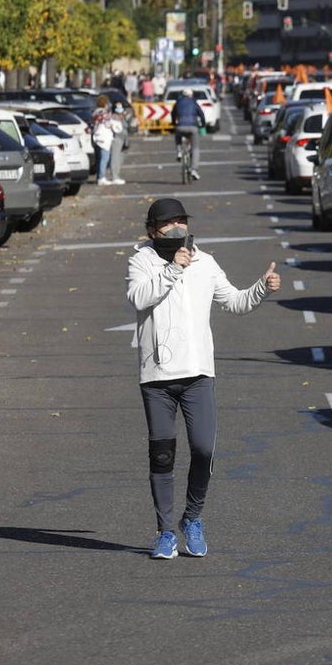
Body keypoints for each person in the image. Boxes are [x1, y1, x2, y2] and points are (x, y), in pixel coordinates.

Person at [126, 198, 282, 559]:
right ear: (152, 230)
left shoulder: (205, 262)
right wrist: (173, 269)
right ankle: (165, 532)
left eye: (182, 220)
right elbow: (139, 298)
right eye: (169, 223)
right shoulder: (141, 261)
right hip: (157, 376)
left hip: (198, 375)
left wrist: (263, 287)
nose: (178, 228)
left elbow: (235, 301)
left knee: (203, 449)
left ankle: (192, 518)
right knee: (162, 456)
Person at [171, 87, 206, 181]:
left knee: (177, 134)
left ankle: (178, 151)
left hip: (180, 125)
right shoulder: (194, 102)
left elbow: (173, 114)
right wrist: (203, 124)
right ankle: (194, 169)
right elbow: (201, 114)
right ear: (191, 95)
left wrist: (174, 123)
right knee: (195, 148)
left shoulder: (178, 102)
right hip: (192, 127)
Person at [91, 95, 120, 185]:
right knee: (105, 158)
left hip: (96, 136)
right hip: (103, 137)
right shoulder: (105, 113)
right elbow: (108, 124)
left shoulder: (95, 112)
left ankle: (99, 176)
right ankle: (101, 177)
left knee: (99, 158)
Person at [109, 103, 129, 184]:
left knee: (119, 158)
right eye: (119, 113)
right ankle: (114, 176)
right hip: (117, 139)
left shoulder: (121, 118)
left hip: (123, 140)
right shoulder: (113, 118)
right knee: (115, 157)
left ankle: (117, 175)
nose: (120, 114)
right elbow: (118, 129)